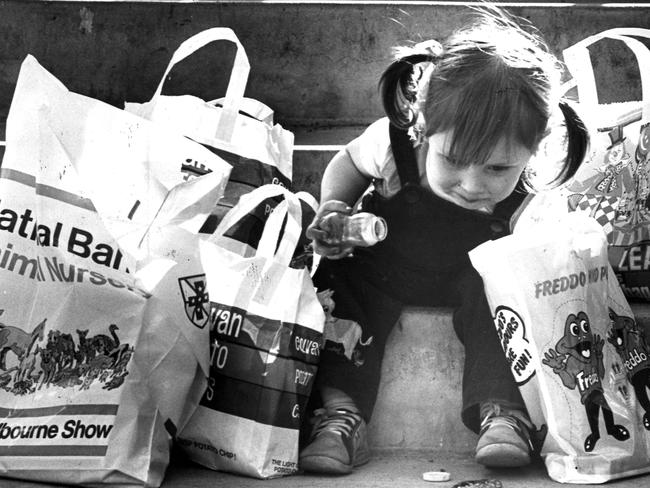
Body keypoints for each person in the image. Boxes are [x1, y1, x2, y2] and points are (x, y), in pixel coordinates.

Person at [298, 6, 589, 475]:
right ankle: (339, 415)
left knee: (506, 299)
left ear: (533, 151)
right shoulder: (394, 144)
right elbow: (347, 164)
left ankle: (505, 414)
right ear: (422, 126)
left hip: (469, 280)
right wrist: (334, 207)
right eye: (452, 160)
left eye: (498, 169)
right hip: (382, 270)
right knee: (338, 284)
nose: (473, 185)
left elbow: (537, 270)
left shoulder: (534, 192)